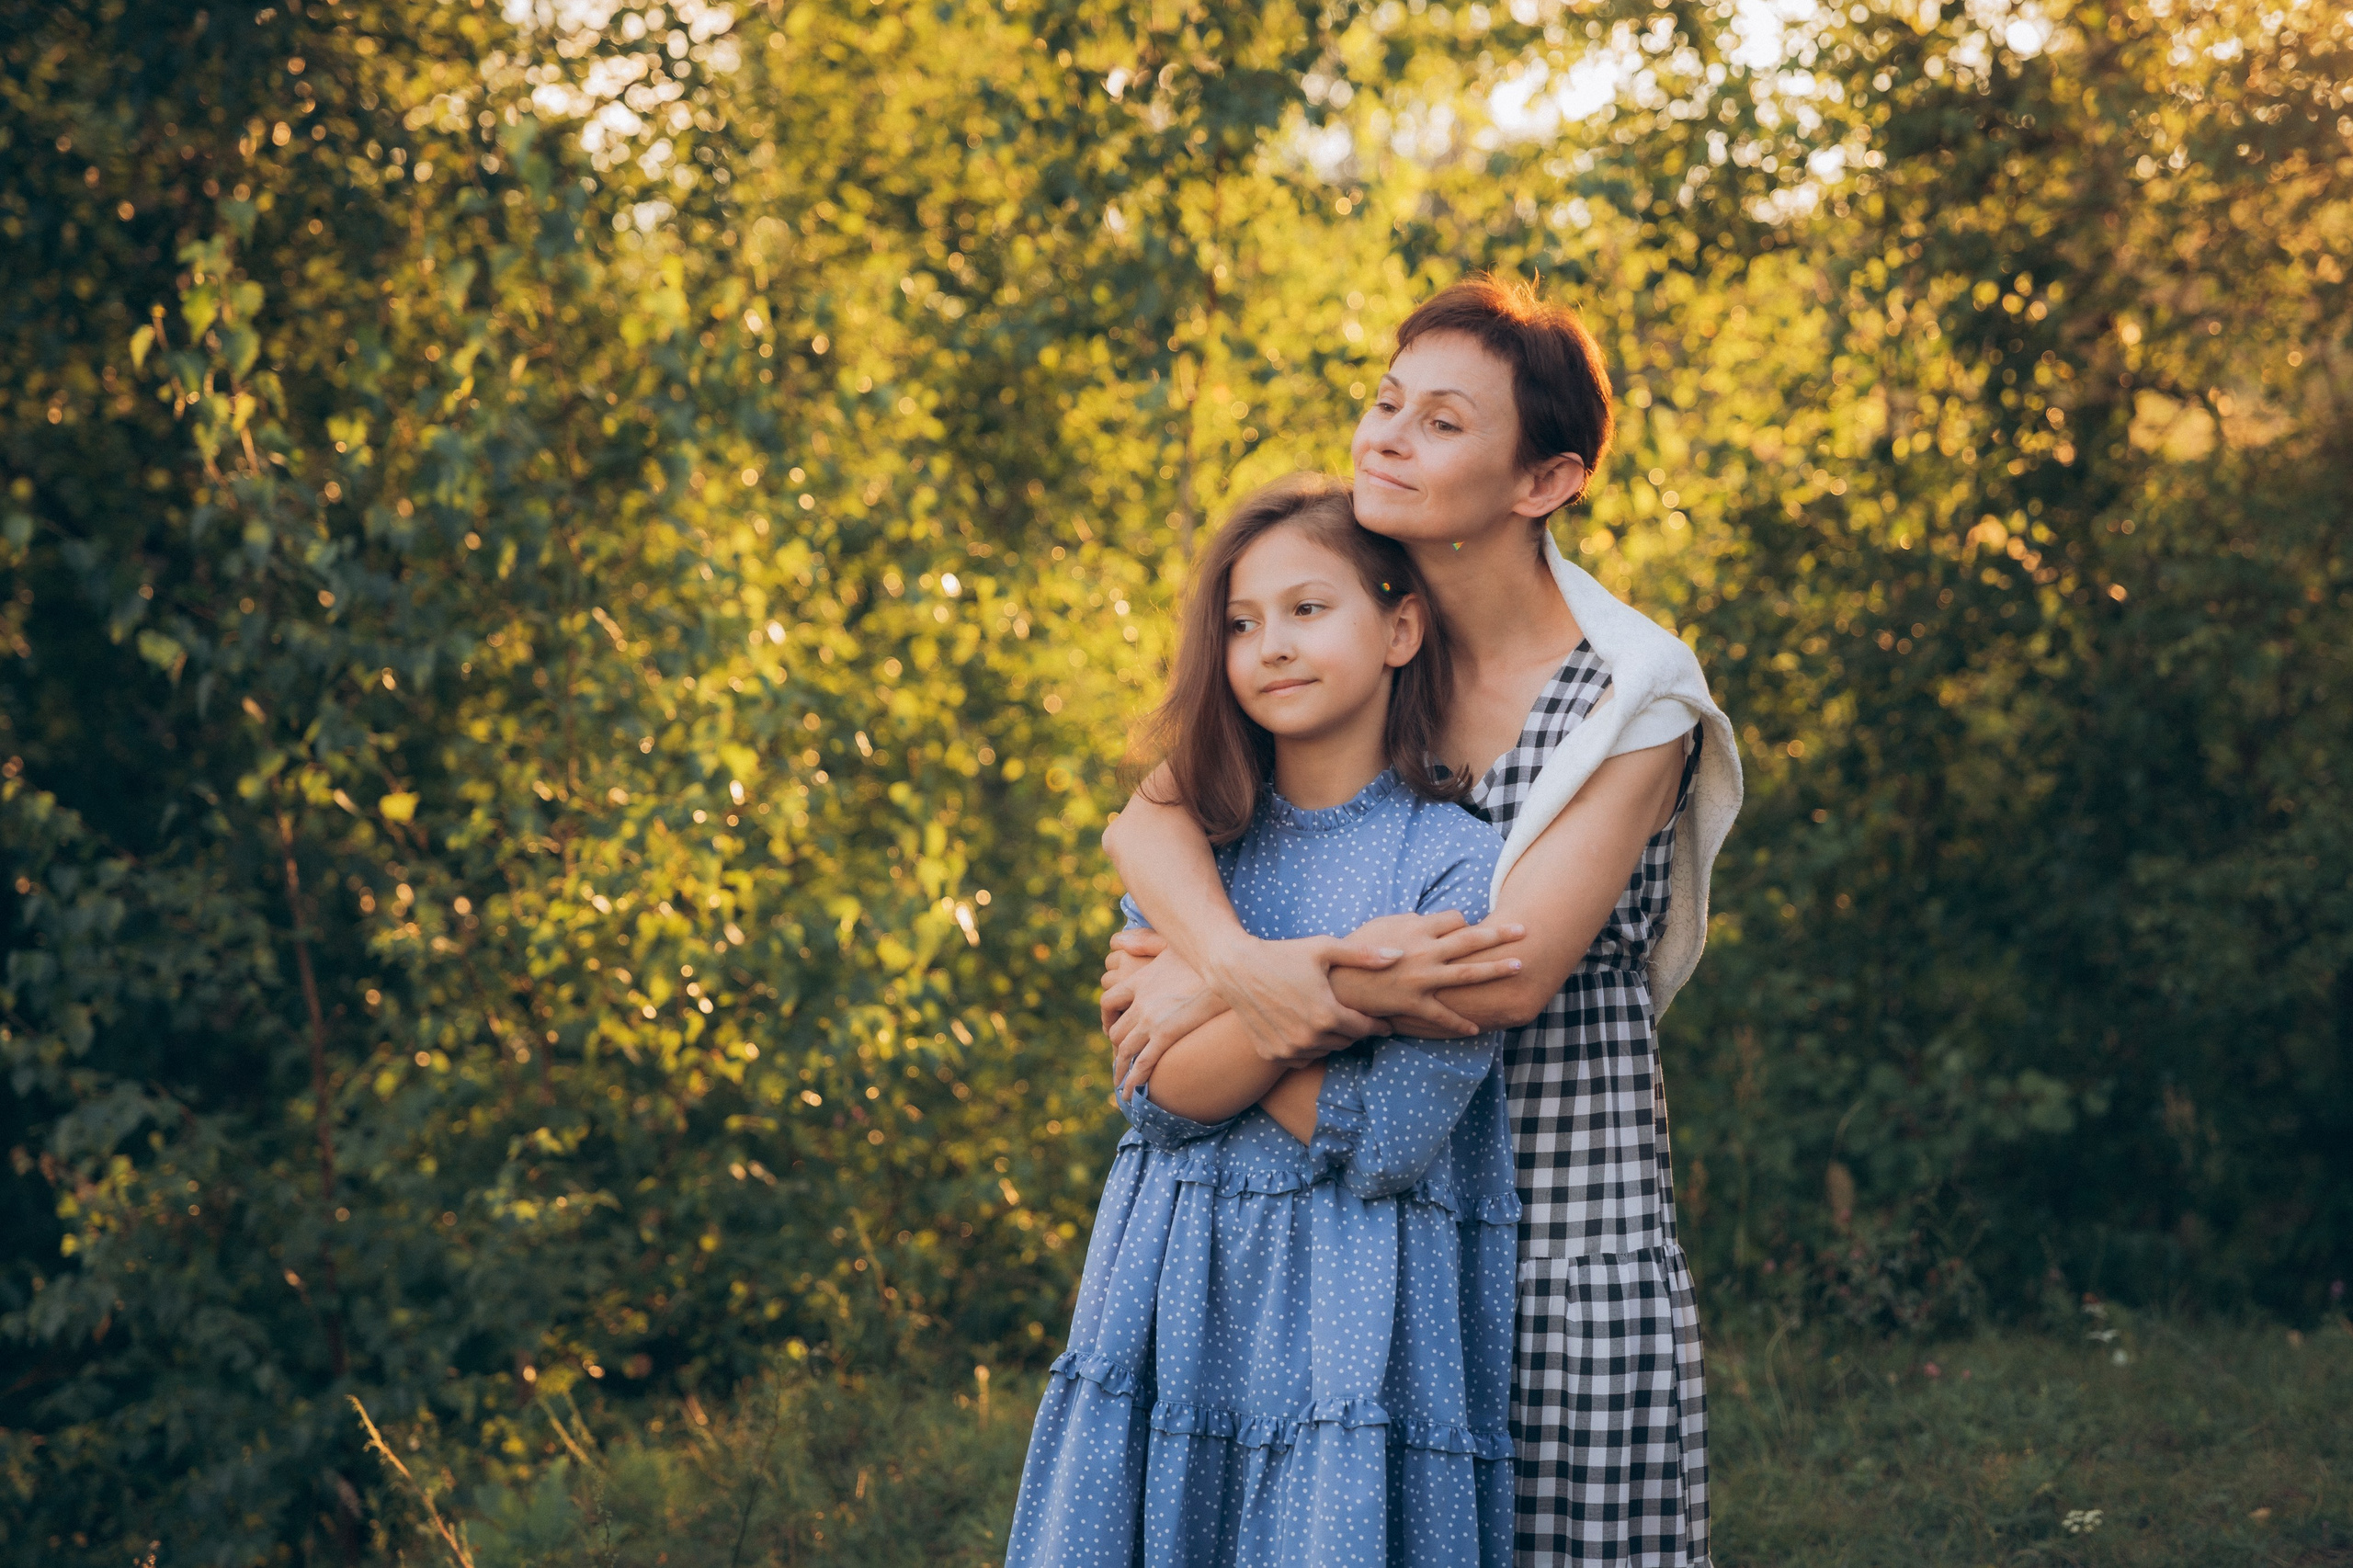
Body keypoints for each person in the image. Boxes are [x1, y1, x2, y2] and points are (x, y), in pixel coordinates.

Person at [1101, 277, 1743, 1567]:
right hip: (1349, 1229)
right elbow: (1148, 818)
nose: (1386, 438)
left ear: (1545, 481)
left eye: (1442, 423)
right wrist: (1231, 956)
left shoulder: (1631, 695)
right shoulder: (1351, 642)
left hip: (1552, 1211)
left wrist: (1212, 983)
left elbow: (1497, 977)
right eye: (1387, 402)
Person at [1005, 476, 1528, 1568]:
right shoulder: (1204, 840)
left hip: (1355, 1310)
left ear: (1399, 627)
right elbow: (1159, 1089)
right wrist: (1360, 988)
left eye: (1306, 608)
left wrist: (1232, 996)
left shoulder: (1453, 859)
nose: (1270, 645)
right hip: (1178, 1285)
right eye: (1241, 624)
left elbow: (1388, 1137)